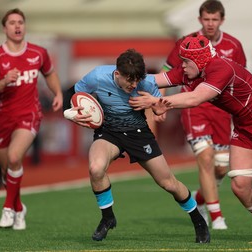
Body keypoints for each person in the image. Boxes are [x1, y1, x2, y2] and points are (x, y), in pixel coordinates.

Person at [128, 34, 252, 243]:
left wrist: (158, 101)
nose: (182, 66)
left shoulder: (221, 68)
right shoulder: (192, 70)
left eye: (185, 61)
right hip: (245, 126)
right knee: (240, 185)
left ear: (199, 60)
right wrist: (118, 77)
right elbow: (156, 79)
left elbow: (195, 98)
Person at [62, 49, 210, 243]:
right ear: (117, 74)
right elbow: (70, 95)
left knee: (168, 183)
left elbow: (159, 110)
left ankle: (199, 221)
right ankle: (108, 218)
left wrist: (154, 106)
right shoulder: (97, 76)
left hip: (139, 134)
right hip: (109, 132)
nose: (133, 85)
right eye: (129, 80)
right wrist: (71, 114)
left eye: (136, 80)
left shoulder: (146, 83)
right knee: (95, 168)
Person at [161, 0, 247, 230]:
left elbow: (240, 78)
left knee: (220, 168)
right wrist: (158, 102)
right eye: (206, 19)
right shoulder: (185, 42)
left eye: (214, 19)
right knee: (205, 158)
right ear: (200, 20)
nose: (210, 23)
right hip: (193, 107)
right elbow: (168, 72)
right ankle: (216, 217)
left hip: (221, 111)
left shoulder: (233, 46)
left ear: (221, 20)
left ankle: (200, 199)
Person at [0, 8, 63, 230]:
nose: (17, 26)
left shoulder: (38, 53)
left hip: (29, 114)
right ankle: (18, 208)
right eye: (12, 23)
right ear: (5, 28)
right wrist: (3, 81)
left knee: (16, 157)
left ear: (24, 26)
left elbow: (50, 73)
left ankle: (7, 208)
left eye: (20, 22)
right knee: (8, 171)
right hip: (3, 118)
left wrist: (58, 93)